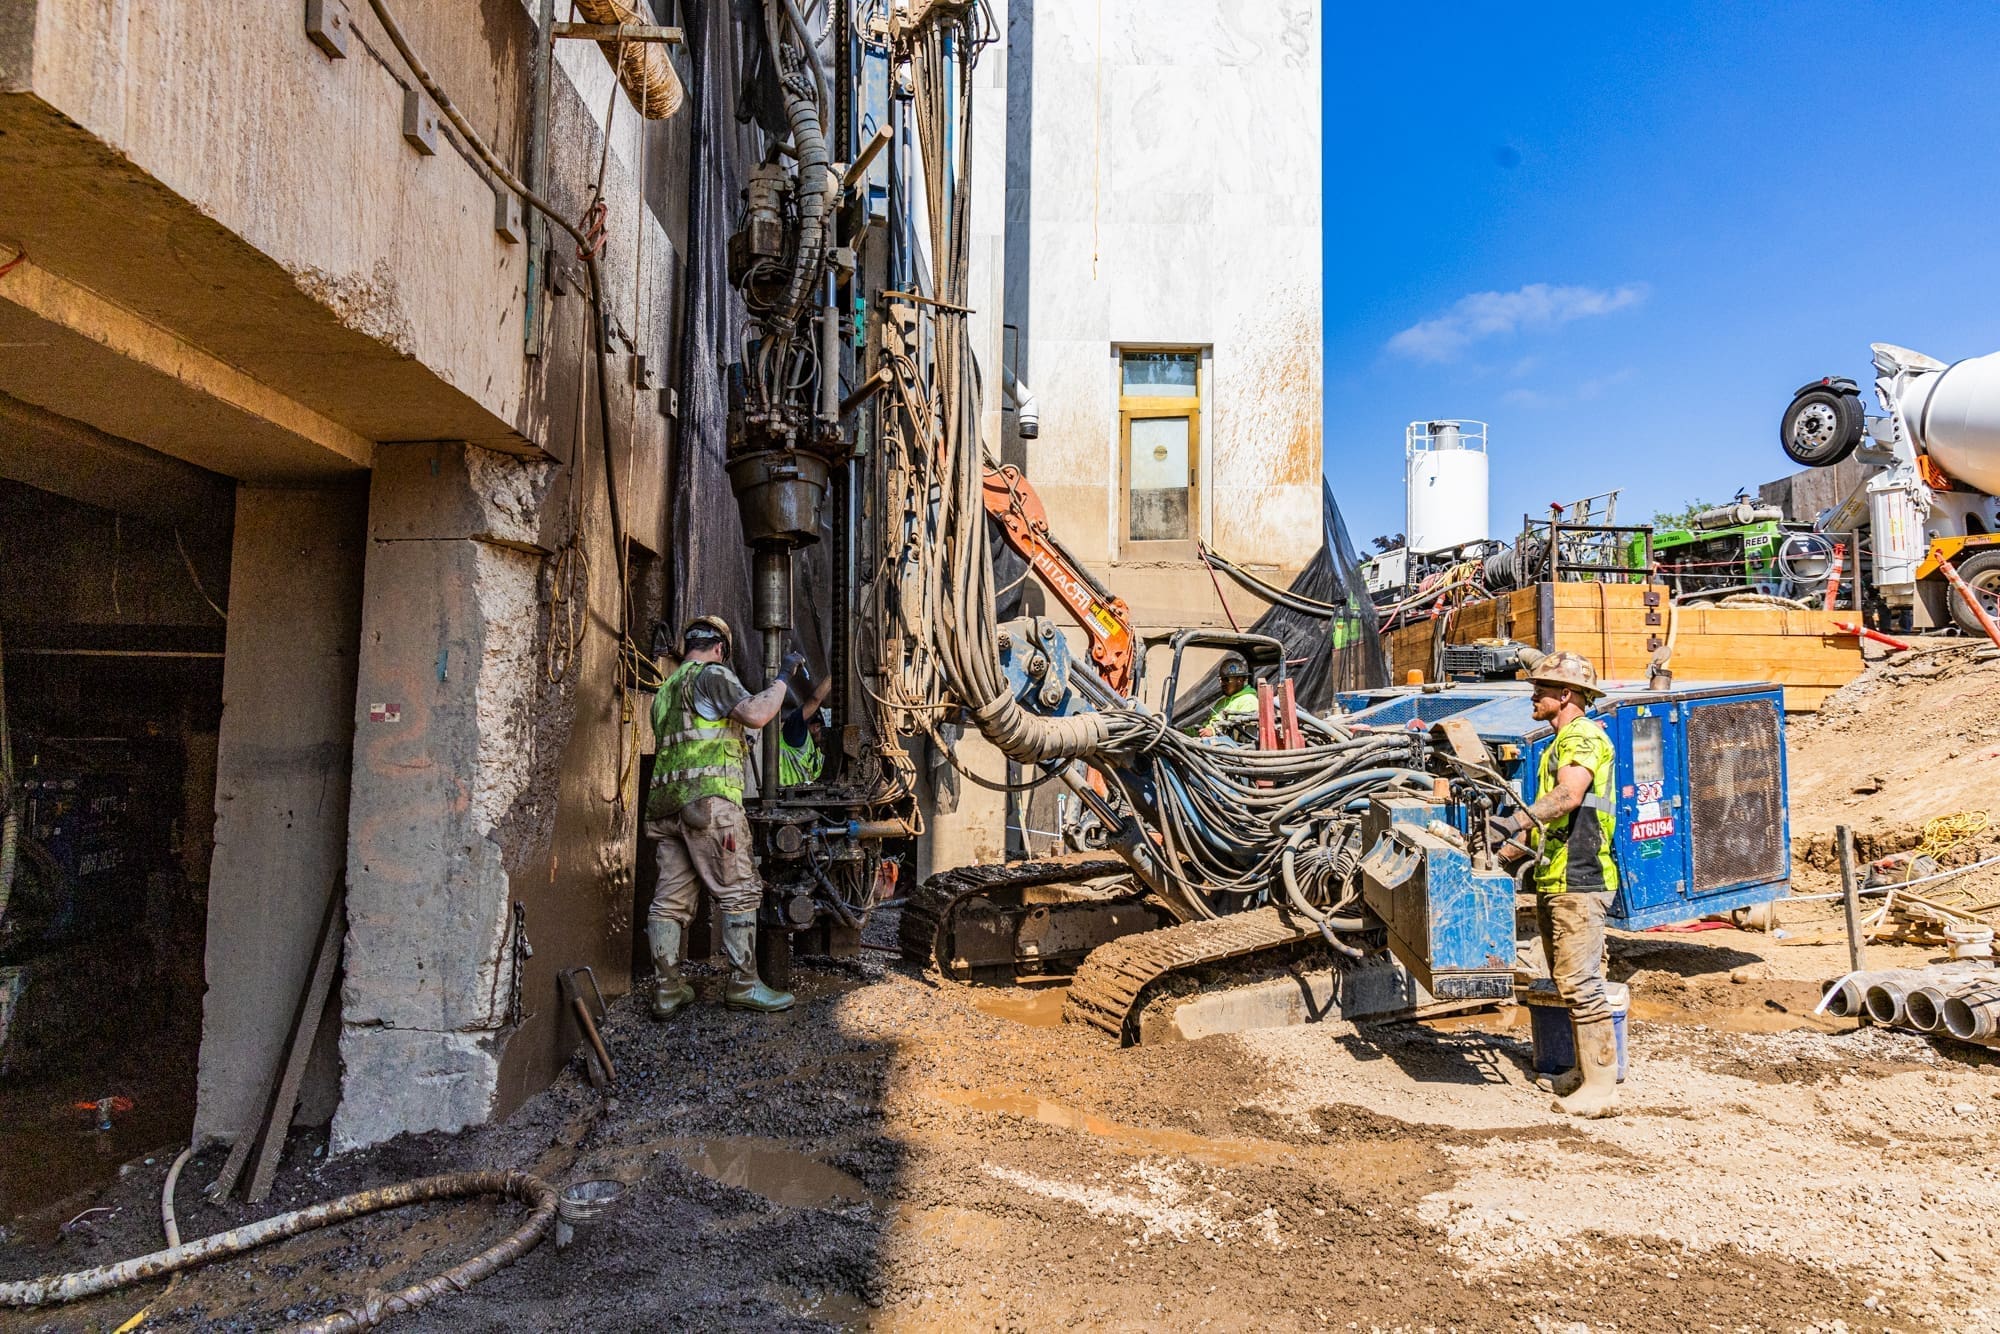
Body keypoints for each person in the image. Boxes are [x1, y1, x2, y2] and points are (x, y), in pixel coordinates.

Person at [644, 615, 793, 1018]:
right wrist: (781, 679)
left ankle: (668, 989)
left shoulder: (665, 691)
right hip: (709, 806)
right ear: (720, 649)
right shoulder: (712, 675)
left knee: (669, 903)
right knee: (740, 891)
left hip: (665, 809)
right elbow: (758, 714)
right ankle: (744, 984)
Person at [1493, 650, 1621, 1119]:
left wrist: (1512, 822)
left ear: (1565, 695)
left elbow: (1568, 796)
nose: (1532, 695)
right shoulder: (1560, 742)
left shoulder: (1581, 737)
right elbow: (1545, 821)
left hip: (1580, 877)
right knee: (1569, 980)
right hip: (1559, 875)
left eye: (1540, 690)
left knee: (1582, 982)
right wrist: (1504, 852)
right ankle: (1583, 1072)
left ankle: (1603, 1086)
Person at [778, 654, 833, 788]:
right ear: (815, 727)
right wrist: (835, 675)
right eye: (824, 731)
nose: (826, 738)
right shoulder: (796, 735)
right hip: (783, 796)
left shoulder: (819, 755)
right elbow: (815, 700)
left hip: (801, 800)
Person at [1194, 652, 1260, 738]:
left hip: (1233, 749)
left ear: (1239, 680)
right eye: (1221, 679)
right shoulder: (1221, 703)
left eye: (1226, 679)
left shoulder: (1249, 701)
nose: (1222, 683)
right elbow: (1206, 727)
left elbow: (1242, 733)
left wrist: (1214, 732)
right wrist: (1187, 732)